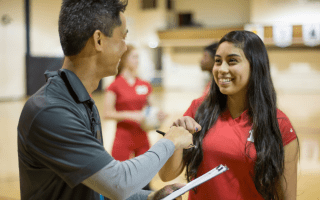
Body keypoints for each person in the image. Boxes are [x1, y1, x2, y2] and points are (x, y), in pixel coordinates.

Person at [17, 0, 194, 200]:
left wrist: (149, 197)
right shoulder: (51, 110)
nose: (125, 48)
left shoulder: (83, 101)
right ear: (99, 40)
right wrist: (170, 141)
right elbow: (119, 183)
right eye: (123, 37)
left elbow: (95, 187)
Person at [159, 30, 299, 200]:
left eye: (232, 61)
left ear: (255, 65)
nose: (221, 69)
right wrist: (176, 137)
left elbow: (287, 197)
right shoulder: (199, 109)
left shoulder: (278, 124)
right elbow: (166, 175)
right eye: (218, 61)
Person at [104, 44, 166, 190]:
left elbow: (150, 109)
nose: (137, 60)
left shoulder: (144, 84)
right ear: (124, 59)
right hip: (123, 137)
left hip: (142, 137)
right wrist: (130, 115)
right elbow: (107, 113)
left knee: (145, 182)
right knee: (119, 181)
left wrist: (158, 115)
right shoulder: (115, 85)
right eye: (134, 57)